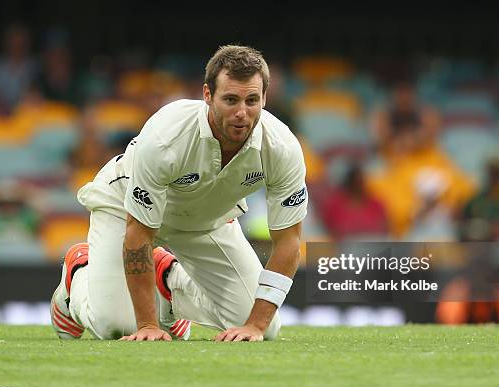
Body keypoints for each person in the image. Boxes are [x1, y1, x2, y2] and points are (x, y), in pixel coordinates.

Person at [50, 45, 307, 342]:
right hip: (125, 210)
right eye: (230, 99)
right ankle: (77, 273)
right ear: (208, 96)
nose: (241, 113)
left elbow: (289, 242)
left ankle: (167, 283)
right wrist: (147, 325)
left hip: (207, 219)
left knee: (266, 326)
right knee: (116, 327)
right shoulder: (166, 137)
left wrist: (255, 326)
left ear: (265, 98)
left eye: (252, 100)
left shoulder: (283, 148)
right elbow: (138, 233)